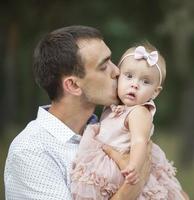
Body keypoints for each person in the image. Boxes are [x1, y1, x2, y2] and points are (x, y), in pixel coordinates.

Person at [4, 25, 151, 200]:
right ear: (73, 85)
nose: (117, 71)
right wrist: (133, 187)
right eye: (104, 66)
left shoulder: (113, 130)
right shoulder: (31, 151)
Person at [70, 43, 189, 199]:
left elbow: (139, 141)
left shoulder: (139, 112)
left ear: (155, 92)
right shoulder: (112, 107)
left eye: (145, 82)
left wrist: (134, 166)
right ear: (119, 77)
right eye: (129, 76)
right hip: (105, 164)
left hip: (125, 167)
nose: (134, 84)